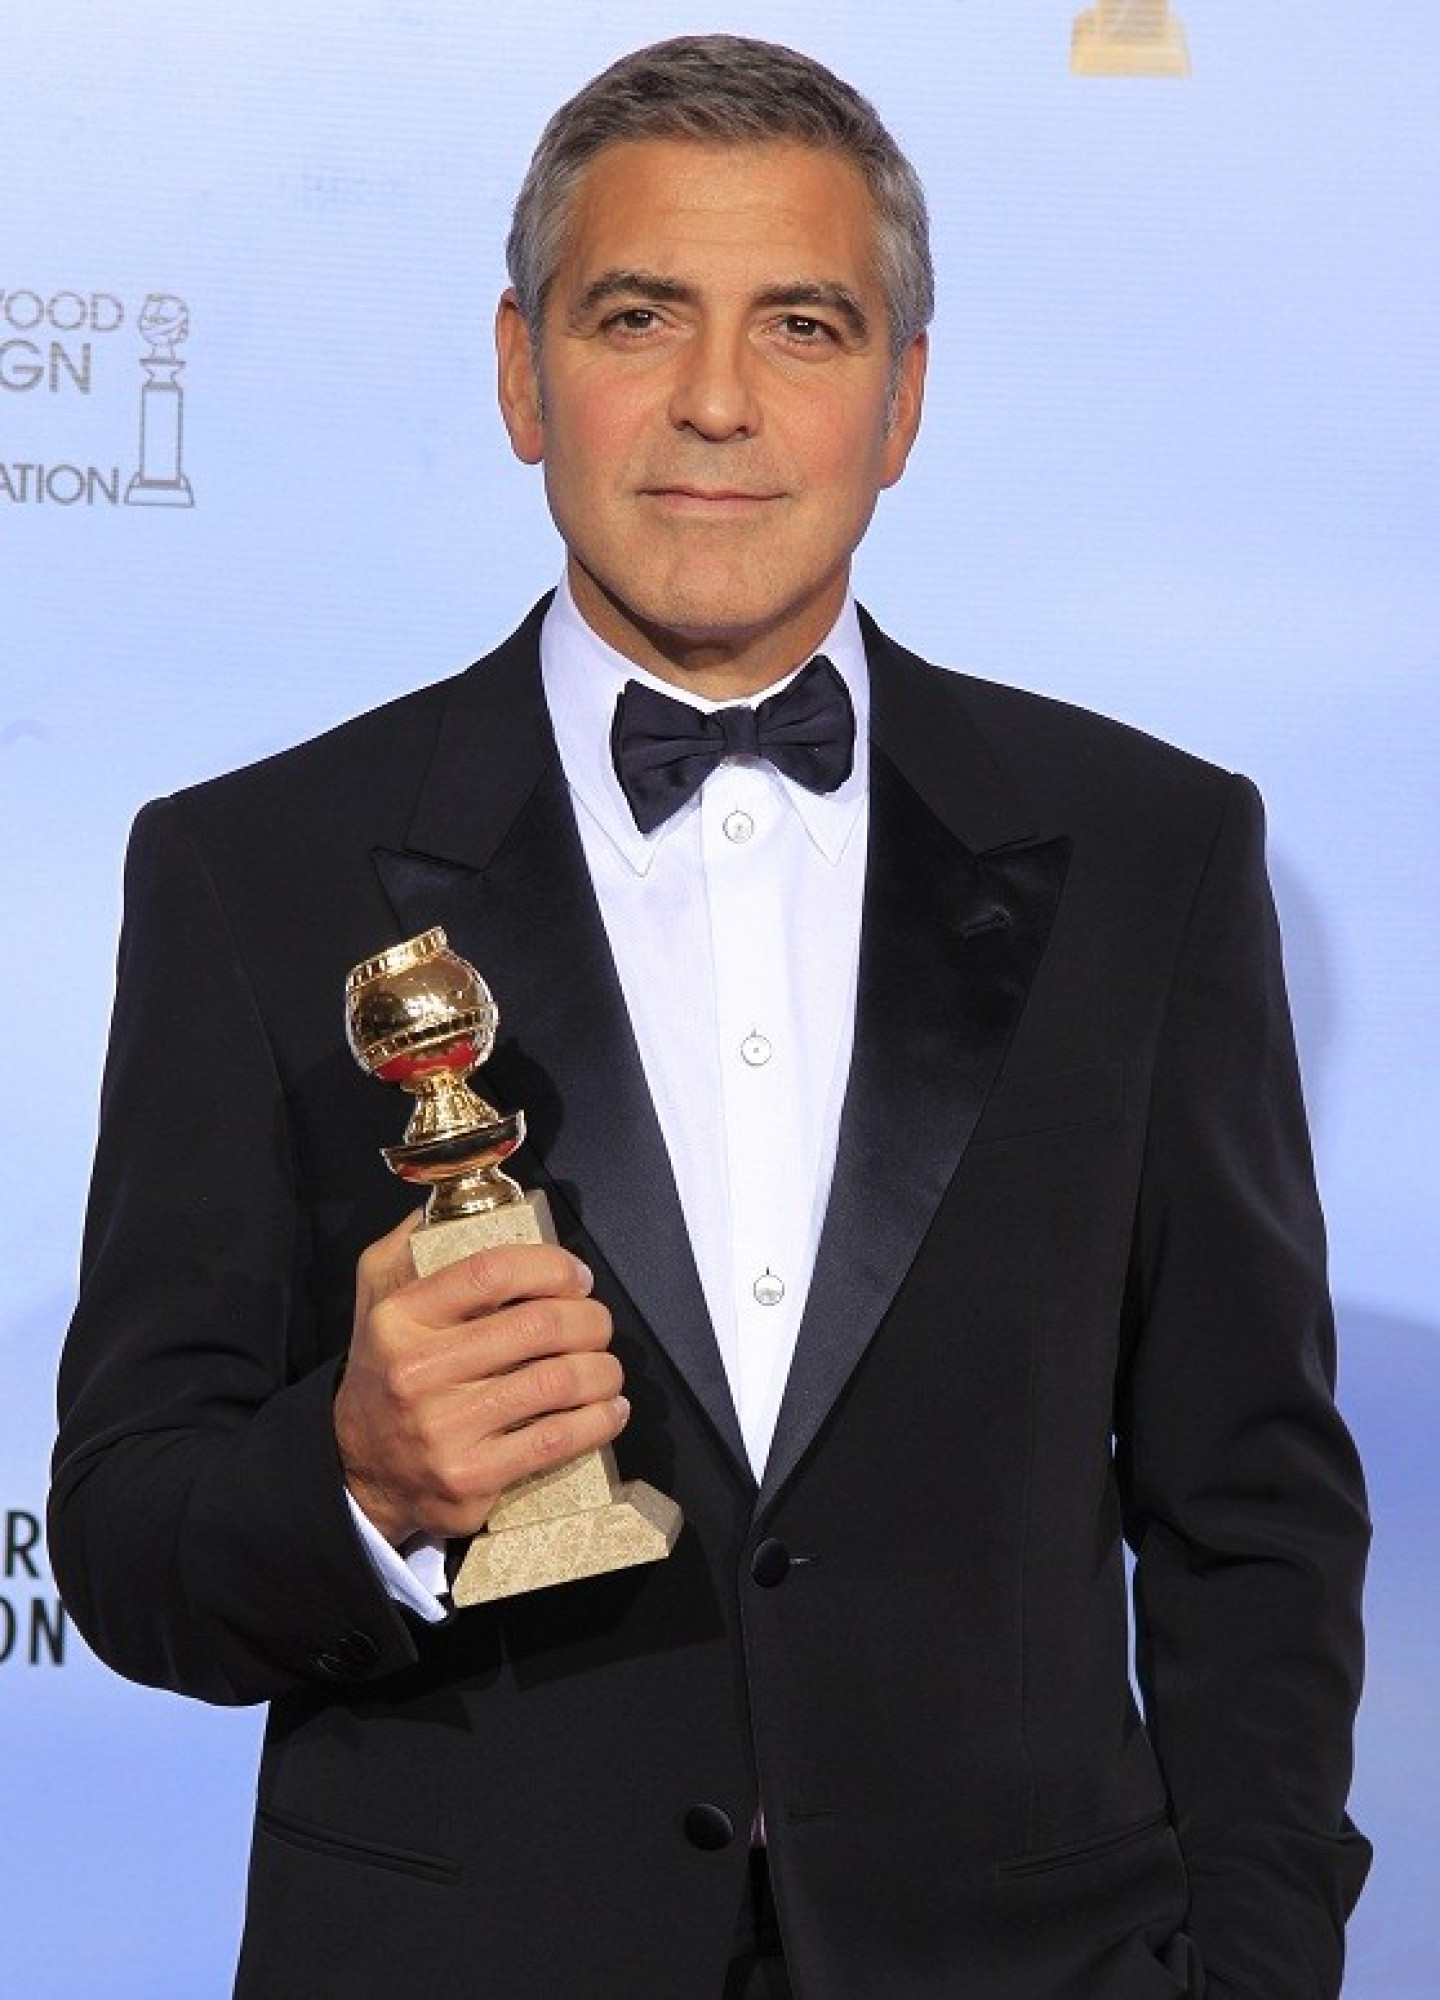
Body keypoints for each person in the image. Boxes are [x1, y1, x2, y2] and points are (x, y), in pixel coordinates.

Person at [50, 34, 1370, 2000]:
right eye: (640, 314)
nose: (719, 403)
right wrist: (356, 1479)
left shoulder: (1158, 856)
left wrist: (1253, 1972)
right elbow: (130, 1539)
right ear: (520, 372)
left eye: (808, 326)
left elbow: (1251, 1514)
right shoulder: (257, 869)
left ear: (906, 398)